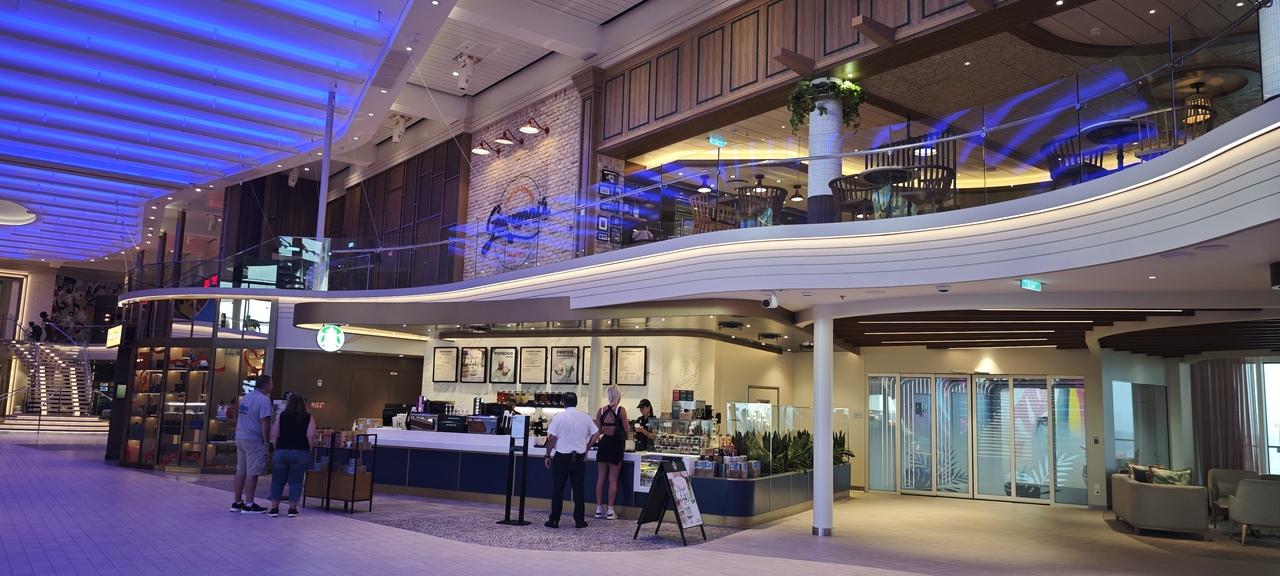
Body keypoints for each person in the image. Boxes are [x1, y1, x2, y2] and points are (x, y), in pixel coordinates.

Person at [543, 391, 597, 529]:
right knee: (578, 490)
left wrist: (547, 455)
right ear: (576, 402)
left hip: (561, 457)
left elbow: (552, 438)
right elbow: (596, 433)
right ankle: (579, 521)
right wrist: (586, 448)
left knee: (558, 489)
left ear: (564, 403)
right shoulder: (585, 417)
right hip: (578, 457)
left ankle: (554, 520)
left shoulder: (559, 417)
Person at [268, 393, 316, 518]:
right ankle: (292, 509)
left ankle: (274, 508)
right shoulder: (308, 417)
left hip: (281, 451)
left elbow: (274, 434)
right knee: (296, 482)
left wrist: (277, 448)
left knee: (277, 481)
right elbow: (311, 436)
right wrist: (309, 449)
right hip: (300, 452)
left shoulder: (281, 416)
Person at [231, 375, 274, 514]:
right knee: (252, 472)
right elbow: (265, 422)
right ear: (266, 385)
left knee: (240, 471)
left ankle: (237, 502)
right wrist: (266, 441)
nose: (272, 387)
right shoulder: (264, 400)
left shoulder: (246, 398)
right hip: (254, 440)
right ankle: (249, 504)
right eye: (271, 384)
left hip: (240, 437)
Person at [594, 386, 631, 520]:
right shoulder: (621, 410)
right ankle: (610, 510)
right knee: (613, 479)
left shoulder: (601, 410)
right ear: (619, 396)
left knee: (601, 478)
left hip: (604, 444)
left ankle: (598, 509)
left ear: (609, 396)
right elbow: (627, 429)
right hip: (616, 444)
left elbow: (599, 430)